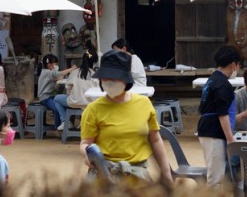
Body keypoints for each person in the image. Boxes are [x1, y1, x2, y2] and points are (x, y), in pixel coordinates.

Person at [79, 50, 173, 185]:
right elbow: (85, 143)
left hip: (138, 178)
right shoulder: (93, 109)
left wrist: (165, 172)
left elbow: (155, 140)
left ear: (126, 79)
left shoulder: (144, 104)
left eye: (114, 78)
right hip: (103, 178)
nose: (109, 82)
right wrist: (87, 154)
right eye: (105, 77)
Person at [196, 45, 241, 186]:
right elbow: (223, 113)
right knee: (215, 179)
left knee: (215, 174)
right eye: (238, 66)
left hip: (206, 128)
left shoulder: (212, 80)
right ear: (233, 64)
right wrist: (230, 138)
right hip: (214, 131)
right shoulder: (222, 84)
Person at [50, 45, 100, 131]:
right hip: (90, 103)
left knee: (57, 98)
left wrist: (71, 95)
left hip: (74, 102)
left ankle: (66, 121)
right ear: (95, 62)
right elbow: (98, 90)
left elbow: (68, 86)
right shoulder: (96, 74)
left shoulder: (75, 72)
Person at [37, 54, 78, 128]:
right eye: (55, 64)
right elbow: (59, 74)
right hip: (45, 98)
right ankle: (59, 126)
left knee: (60, 105)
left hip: (51, 96)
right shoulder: (47, 72)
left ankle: (63, 125)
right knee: (57, 108)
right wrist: (72, 69)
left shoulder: (48, 72)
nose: (56, 66)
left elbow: (58, 76)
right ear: (49, 65)